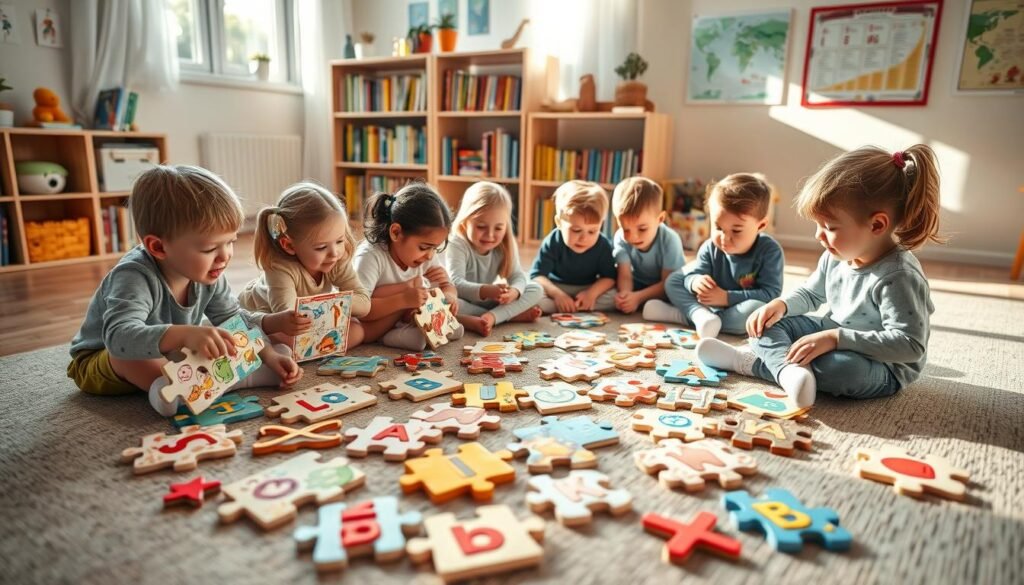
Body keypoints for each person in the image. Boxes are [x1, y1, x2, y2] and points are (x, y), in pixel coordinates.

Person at [697, 146, 942, 407]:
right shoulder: (836, 254)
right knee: (765, 323)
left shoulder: (899, 276)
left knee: (841, 370)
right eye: (817, 225)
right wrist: (781, 305)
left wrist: (836, 339)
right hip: (831, 332)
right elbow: (811, 294)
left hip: (882, 365)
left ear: (877, 225)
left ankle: (747, 362)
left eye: (829, 227)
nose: (818, 236)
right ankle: (788, 372)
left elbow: (909, 345)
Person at [67, 165, 301, 415]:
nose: (224, 256)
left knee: (218, 337)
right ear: (158, 247)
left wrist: (267, 354)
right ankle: (188, 389)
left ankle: (226, 379)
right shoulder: (132, 276)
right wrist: (184, 335)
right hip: (103, 360)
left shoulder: (209, 273)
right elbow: (118, 339)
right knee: (138, 355)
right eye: (210, 249)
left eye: (231, 242)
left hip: (165, 351)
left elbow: (234, 319)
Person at [646, 173, 784, 338]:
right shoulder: (711, 246)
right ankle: (699, 315)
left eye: (736, 230)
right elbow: (695, 273)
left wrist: (726, 298)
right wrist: (695, 281)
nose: (725, 238)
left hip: (737, 306)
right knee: (674, 280)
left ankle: (683, 316)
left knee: (755, 311)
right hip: (709, 303)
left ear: (760, 225)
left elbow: (770, 294)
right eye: (718, 227)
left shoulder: (770, 251)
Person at [238, 182, 370, 349]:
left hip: (309, 321)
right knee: (287, 339)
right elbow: (289, 317)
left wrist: (334, 303)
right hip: (266, 318)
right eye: (321, 247)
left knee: (358, 331)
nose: (335, 252)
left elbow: (364, 304)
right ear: (289, 246)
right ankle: (311, 349)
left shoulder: (336, 259)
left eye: (340, 240)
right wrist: (331, 308)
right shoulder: (279, 268)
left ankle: (312, 350)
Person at [353, 183, 463, 350]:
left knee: (452, 327)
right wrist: (404, 299)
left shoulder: (425, 256)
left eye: (435, 248)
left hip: (410, 318)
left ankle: (421, 331)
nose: (430, 256)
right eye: (424, 248)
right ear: (396, 233)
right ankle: (402, 336)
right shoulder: (370, 256)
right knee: (418, 339)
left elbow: (447, 286)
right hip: (375, 326)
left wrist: (449, 296)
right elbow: (361, 312)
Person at [446, 181, 543, 336]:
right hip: (461, 301)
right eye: (481, 227)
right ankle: (507, 316)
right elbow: (455, 284)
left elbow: (518, 275)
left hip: (488, 301)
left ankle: (493, 316)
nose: (490, 235)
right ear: (465, 222)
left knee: (535, 289)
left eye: (498, 228)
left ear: (506, 226)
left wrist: (515, 292)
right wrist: (485, 291)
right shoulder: (457, 244)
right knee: (443, 303)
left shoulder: (504, 244)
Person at [530, 180, 617, 313]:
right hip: (557, 287)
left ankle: (576, 305)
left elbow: (609, 278)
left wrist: (591, 294)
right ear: (559, 222)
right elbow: (537, 275)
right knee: (532, 291)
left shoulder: (603, 245)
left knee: (616, 297)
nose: (584, 238)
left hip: (587, 288)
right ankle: (571, 305)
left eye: (592, 231)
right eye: (576, 230)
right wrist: (558, 295)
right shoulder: (553, 241)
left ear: (601, 225)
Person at [609, 176, 686, 315]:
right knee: (610, 293)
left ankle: (664, 309)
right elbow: (625, 275)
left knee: (679, 290)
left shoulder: (670, 239)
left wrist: (638, 298)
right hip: (637, 284)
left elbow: (667, 283)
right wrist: (626, 295)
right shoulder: (620, 238)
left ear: (660, 219)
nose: (633, 237)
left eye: (642, 229)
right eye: (626, 229)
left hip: (665, 286)